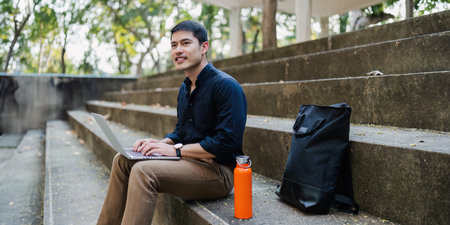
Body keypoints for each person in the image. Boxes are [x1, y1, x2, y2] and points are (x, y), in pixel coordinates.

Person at [97, 20, 247, 225]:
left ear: (204, 47)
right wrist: (160, 144)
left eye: (185, 43)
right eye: (174, 45)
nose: (178, 50)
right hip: (189, 162)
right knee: (122, 160)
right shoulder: (185, 88)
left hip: (219, 173)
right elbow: (181, 132)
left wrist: (176, 151)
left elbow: (226, 144)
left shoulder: (226, 87)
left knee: (143, 172)